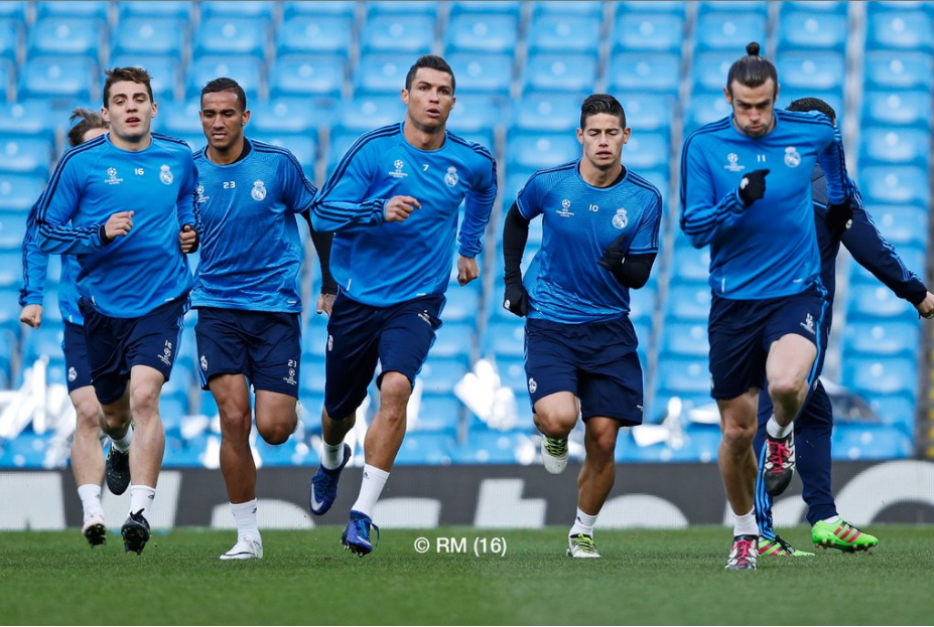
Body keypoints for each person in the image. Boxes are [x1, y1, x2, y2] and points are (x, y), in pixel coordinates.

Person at [308, 54, 497, 556]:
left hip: (418, 298)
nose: (434, 98)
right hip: (358, 294)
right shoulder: (373, 152)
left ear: (453, 101)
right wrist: (377, 210)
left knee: (396, 388)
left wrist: (469, 248)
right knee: (337, 411)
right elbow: (323, 211)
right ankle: (331, 460)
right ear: (406, 95)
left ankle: (362, 514)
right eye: (425, 88)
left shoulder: (469, 160)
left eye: (443, 91)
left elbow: (484, 188)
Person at [679, 43, 852, 570]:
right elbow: (693, 230)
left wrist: (840, 206)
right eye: (744, 106)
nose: (754, 117)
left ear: (776, 97)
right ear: (728, 98)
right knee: (735, 434)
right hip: (732, 302)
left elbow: (838, 179)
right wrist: (737, 199)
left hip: (796, 291)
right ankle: (744, 532)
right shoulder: (704, 146)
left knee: (785, 385)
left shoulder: (813, 133)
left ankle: (780, 435)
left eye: (763, 105)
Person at [753, 97, 934, 558]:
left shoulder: (761, 177)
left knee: (814, 411)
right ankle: (756, 532)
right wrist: (917, 293)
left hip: (747, 313)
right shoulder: (828, 185)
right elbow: (870, 246)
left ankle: (823, 517)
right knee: (773, 412)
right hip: (796, 320)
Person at [37, 66, 200, 555]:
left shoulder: (177, 156)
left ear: (154, 107)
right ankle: (121, 448)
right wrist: (99, 234)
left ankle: (140, 513)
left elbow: (188, 198)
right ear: (106, 113)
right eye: (121, 100)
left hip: (162, 298)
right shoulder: (80, 164)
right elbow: (45, 232)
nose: (132, 106)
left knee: (146, 396)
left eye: (140, 98)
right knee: (112, 415)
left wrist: (188, 230)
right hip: (101, 306)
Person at [502, 94, 662, 558]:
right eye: (594, 132)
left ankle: (582, 531)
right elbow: (516, 222)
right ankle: (553, 435)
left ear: (626, 136)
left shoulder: (644, 198)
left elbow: (640, 275)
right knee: (559, 416)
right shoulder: (550, 184)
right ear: (580, 137)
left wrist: (619, 265)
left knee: (604, 438)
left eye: (612, 132)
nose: (604, 141)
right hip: (551, 319)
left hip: (609, 328)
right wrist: (513, 281)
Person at [191, 77, 336, 560]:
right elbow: (170, 231)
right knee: (233, 418)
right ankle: (247, 535)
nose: (217, 122)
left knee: (274, 429)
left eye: (227, 113)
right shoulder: (187, 172)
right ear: (201, 118)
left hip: (274, 311)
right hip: (215, 309)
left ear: (244, 117)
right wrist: (180, 240)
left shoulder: (277, 166)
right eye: (209, 114)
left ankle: (304, 426)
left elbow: (318, 217)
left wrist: (330, 284)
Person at [20, 108, 111, 547]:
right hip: (80, 318)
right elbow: (36, 237)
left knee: (120, 415)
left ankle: (126, 447)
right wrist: (33, 298)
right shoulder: (62, 195)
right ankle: (92, 511)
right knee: (89, 412)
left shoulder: (136, 182)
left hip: (134, 318)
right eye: (89, 147)